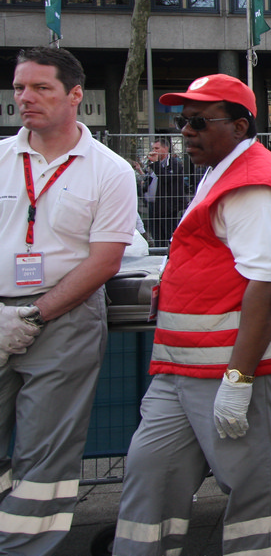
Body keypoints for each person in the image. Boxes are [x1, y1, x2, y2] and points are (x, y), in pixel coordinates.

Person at [114, 74, 271, 555]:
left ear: (240, 126)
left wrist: (239, 380)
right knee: (151, 472)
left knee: (253, 485)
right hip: (184, 366)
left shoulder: (254, 185)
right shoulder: (223, 171)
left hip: (230, 369)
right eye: (182, 121)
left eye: (200, 121)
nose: (186, 131)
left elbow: (267, 287)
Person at [0, 47, 136, 553]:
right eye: (19, 87)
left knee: (45, 455)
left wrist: (33, 315)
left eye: (41, 88)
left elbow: (104, 260)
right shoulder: (1, 158)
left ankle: (24, 549)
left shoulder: (110, 171)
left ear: (75, 94)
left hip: (66, 318)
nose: (25, 98)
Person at [144, 136, 185, 244]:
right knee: (157, 237)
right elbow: (149, 181)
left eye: (157, 148)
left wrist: (156, 164)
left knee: (169, 237)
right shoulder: (153, 164)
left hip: (168, 208)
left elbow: (166, 178)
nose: (154, 151)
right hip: (154, 207)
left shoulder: (174, 164)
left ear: (166, 148)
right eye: (153, 148)